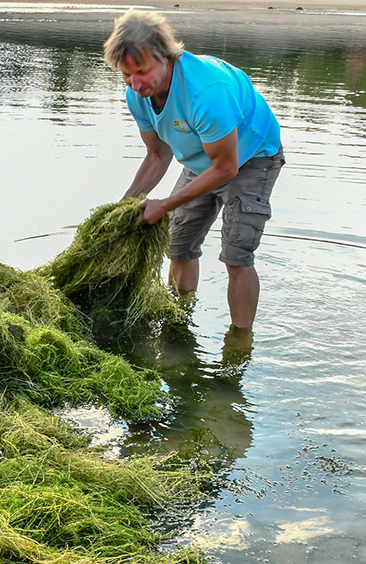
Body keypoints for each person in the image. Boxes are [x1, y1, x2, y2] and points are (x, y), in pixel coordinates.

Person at [105, 10, 284, 329]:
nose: (134, 83)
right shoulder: (138, 95)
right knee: (179, 244)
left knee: (236, 253)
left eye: (142, 71)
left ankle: (239, 343)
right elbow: (158, 155)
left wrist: (164, 205)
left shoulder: (205, 91)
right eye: (126, 75)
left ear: (166, 57)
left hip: (250, 157)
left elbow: (226, 167)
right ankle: (179, 320)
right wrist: (122, 208)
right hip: (204, 157)